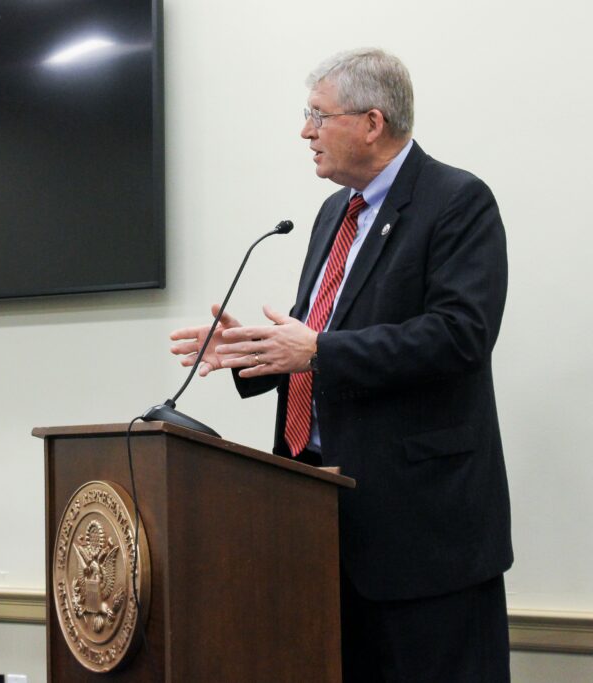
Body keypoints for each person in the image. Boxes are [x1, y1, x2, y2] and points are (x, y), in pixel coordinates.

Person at [169, 48, 511, 681]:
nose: (305, 131)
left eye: (317, 115)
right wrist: (252, 351)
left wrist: (319, 350)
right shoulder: (333, 214)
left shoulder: (457, 201)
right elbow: (316, 340)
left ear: (372, 122)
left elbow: (460, 336)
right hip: (317, 520)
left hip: (421, 537)